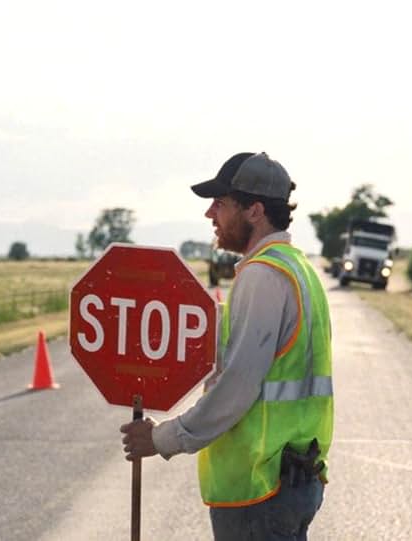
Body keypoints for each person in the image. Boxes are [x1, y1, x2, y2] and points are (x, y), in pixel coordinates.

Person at [120, 151, 334, 540]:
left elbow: (236, 388)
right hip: (296, 476)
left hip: (260, 487)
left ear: (254, 210)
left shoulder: (263, 276)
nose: (210, 215)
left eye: (220, 204)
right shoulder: (299, 267)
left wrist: (161, 438)